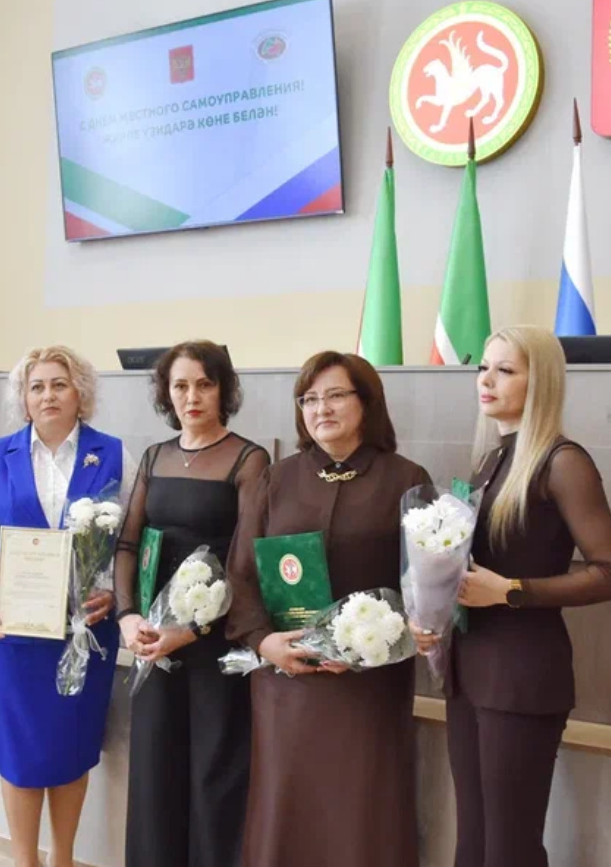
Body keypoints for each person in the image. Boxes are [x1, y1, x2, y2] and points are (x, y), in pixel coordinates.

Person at [414, 326, 611, 867]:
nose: (486, 380)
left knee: (509, 848)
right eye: (483, 368)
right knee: (473, 843)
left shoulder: (563, 461)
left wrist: (511, 591)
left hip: (523, 676)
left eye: (505, 370)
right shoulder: (490, 459)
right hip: (469, 671)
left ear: (542, 381)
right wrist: (433, 610)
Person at [225, 351, 431, 867]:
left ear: (367, 402)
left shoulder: (406, 479)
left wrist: (377, 647)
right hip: (286, 682)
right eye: (310, 399)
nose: (322, 408)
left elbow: (426, 588)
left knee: (360, 814)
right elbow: (241, 574)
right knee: (287, 810)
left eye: (336, 395)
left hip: (368, 689)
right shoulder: (276, 479)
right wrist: (263, 642)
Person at [0, 345, 136, 867]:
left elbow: (130, 541)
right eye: (36, 387)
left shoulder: (114, 454)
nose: (47, 395)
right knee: (19, 755)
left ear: (80, 394)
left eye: (59, 384)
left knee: (71, 750)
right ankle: (24, 860)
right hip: (12, 633)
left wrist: (115, 592)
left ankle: (63, 858)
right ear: (23, 399)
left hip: (84, 631)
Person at [115, 340, 268, 867]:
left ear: (224, 390)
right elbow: (128, 544)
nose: (192, 396)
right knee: (155, 774)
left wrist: (192, 630)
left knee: (213, 778)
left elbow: (246, 561)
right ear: (166, 393)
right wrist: (128, 617)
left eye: (204, 384)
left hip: (215, 644)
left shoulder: (249, 459)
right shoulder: (155, 456)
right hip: (154, 642)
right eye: (180, 385)